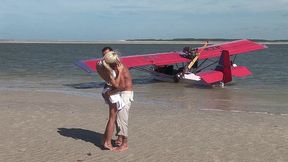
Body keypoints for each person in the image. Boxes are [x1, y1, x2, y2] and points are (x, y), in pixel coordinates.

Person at [102, 52, 134, 152]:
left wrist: (110, 92)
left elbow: (119, 86)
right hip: (121, 93)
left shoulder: (120, 68)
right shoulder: (116, 66)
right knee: (118, 119)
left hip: (125, 94)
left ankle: (125, 144)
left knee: (122, 120)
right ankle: (120, 140)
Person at [96, 47, 119, 150]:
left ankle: (104, 139)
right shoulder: (107, 66)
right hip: (111, 90)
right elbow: (114, 83)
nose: (107, 57)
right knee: (112, 118)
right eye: (105, 55)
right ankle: (107, 143)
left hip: (106, 89)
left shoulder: (99, 64)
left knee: (113, 117)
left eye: (108, 54)